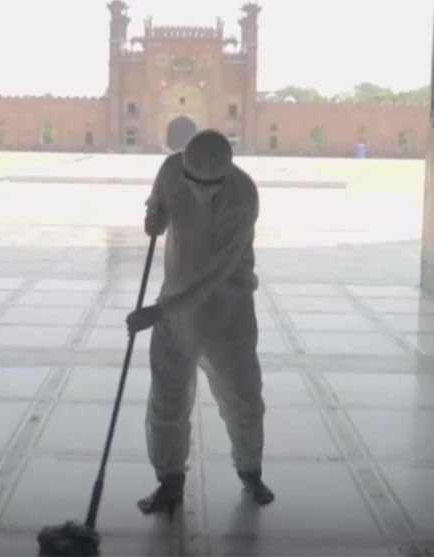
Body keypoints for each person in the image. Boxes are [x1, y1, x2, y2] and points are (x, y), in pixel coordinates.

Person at [126, 129, 274, 514]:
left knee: (241, 397)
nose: (202, 191)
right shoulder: (172, 169)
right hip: (173, 303)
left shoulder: (243, 195)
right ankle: (169, 480)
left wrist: (158, 311)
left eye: (212, 186)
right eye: (195, 183)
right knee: (167, 397)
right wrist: (153, 219)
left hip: (227, 311)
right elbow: (155, 210)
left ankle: (250, 471)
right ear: (185, 167)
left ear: (227, 173)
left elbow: (215, 272)